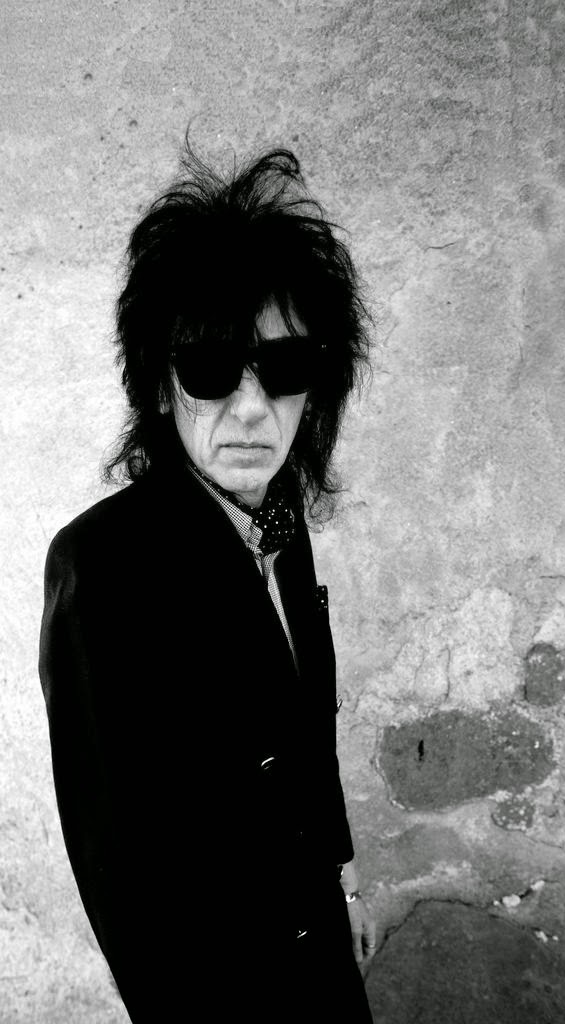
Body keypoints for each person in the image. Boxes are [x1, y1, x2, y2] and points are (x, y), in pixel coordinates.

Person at [39, 145, 375, 1022]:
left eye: (284, 367)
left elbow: (304, 740)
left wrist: (341, 887)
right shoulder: (102, 567)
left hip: (320, 958)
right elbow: (119, 872)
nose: (252, 408)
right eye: (210, 368)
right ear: (159, 383)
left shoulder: (280, 523)